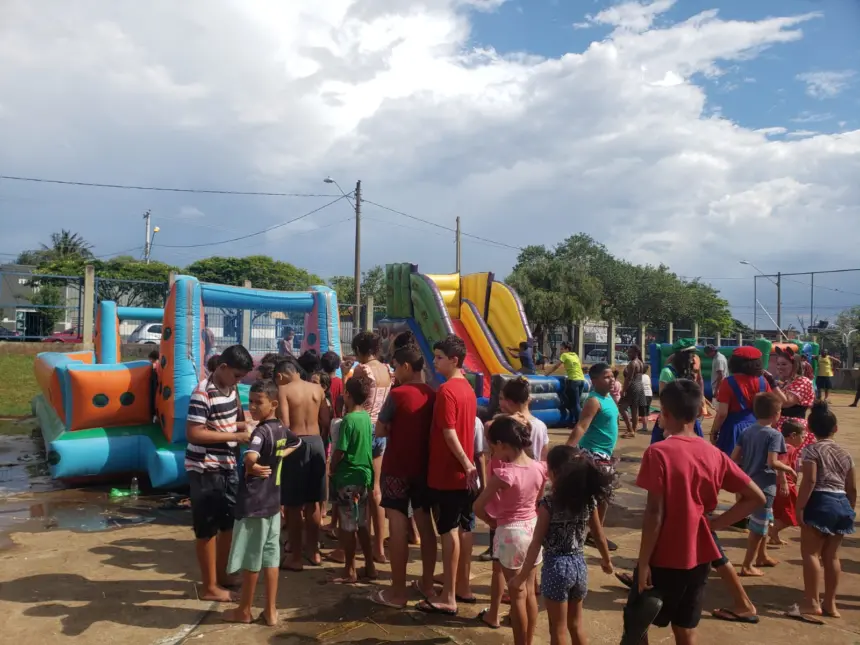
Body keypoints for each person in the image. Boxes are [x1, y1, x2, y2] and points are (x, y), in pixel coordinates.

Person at [621, 379, 766, 645]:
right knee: (685, 627)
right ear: (700, 412)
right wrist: (715, 524)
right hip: (700, 555)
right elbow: (755, 497)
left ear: (663, 413)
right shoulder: (714, 453)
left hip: (664, 555)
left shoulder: (658, 453)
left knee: (637, 623)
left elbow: (654, 513)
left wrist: (643, 564)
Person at [509, 445, 614, 645]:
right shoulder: (588, 501)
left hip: (556, 567)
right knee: (576, 625)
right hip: (579, 566)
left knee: (557, 629)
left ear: (555, 473)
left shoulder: (548, 504)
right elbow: (599, 535)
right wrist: (607, 561)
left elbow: (536, 543)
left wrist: (521, 577)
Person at [221, 380, 301, 625]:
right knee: (270, 557)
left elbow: (251, 454)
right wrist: (279, 455)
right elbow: (296, 442)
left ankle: (245, 610)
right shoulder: (279, 429)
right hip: (272, 505)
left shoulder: (261, 432)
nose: (252, 407)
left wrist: (252, 465)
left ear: (274, 404)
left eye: (259, 402)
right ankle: (271, 610)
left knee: (252, 559)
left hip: (255, 505)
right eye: (251, 402)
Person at [185, 345, 255, 602]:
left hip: (227, 465)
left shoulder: (231, 388)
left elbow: (231, 420)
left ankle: (222, 576)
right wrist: (236, 435)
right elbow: (194, 432)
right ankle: (209, 586)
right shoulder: (202, 394)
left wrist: (247, 425)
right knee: (207, 529)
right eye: (237, 375)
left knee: (228, 524)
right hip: (206, 468)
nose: (239, 381)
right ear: (223, 368)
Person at [371, 344, 437, 608]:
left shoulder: (397, 395)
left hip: (397, 468)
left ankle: (398, 593)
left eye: (396, 367)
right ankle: (428, 585)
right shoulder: (433, 395)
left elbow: (380, 431)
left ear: (407, 367)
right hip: (424, 470)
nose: (395, 373)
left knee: (397, 527)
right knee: (426, 526)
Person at [417, 334, 477, 617]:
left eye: (439, 357)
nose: (435, 362)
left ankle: (449, 595)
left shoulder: (447, 391)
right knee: (455, 529)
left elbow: (449, 431)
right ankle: (454, 586)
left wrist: (466, 463)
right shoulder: (468, 389)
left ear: (454, 360)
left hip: (447, 472)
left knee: (448, 531)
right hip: (457, 474)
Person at [473, 415, 547, 645]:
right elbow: (540, 502)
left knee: (517, 595)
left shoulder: (505, 474)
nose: (493, 452)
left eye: (493, 447)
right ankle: (530, 640)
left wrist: (493, 521)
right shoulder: (540, 468)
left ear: (502, 444)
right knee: (529, 591)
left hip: (510, 534)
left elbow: (477, 506)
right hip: (533, 530)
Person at [789, 401, 856, 623]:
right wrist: (850, 508)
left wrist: (800, 507)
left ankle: (811, 602)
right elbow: (852, 488)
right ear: (835, 428)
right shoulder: (845, 454)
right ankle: (831, 603)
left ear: (809, 429)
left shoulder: (811, 450)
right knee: (832, 556)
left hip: (819, 501)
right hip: (841, 503)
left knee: (810, 554)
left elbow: (810, 480)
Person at [274, 357, 331, 571]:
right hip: (316, 442)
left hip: (295, 444)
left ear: (280, 376)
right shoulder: (317, 389)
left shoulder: (284, 390)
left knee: (293, 505)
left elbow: (286, 424)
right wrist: (319, 440)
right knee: (313, 502)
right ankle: (314, 552)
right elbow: (326, 420)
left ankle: (295, 556)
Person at [731, 392, 795, 577]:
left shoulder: (747, 431)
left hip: (749, 484)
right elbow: (772, 462)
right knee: (758, 528)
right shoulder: (774, 435)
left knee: (765, 521)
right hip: (765, 486)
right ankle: (747, 565)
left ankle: (762, 555)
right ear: (776, 413)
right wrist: (788, 469)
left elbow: (734, 458)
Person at [566, 363, 619, 552]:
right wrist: (567, 451)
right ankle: (593, 534)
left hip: (605, 453)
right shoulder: (594, 400)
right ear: (593, 380)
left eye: (612, 376)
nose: (611, 379)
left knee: (603, 497)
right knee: (597, 496)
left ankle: (595, 533)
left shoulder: (608, 398)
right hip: (594, 453)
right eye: (606, 377)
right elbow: (582, 426)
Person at [330, 374, 377, 584]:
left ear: (347, 395)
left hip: (347, 475)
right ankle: (370, 564)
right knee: (363, 523)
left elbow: (341, 449)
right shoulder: (366, 417)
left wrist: (332, 466)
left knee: (347, 525)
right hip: (363, 475)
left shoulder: (348, 420)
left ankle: (350, 569)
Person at [351, 331, 393, 564]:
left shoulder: (362, 370)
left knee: (357, 487)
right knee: (376, 489)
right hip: (380, 430)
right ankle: (379, 548)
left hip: (362, 428)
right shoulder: (387, 370)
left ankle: (358, 542)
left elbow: (354, 400)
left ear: (359, 350)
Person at [710, 346, 777, 456]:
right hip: (758, 426)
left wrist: (714, 431)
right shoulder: (763, 382)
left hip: (733, 428)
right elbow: (770, 406)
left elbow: (722, 413)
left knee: (731, 464)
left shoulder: (728, 382)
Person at [652, 339, 704, 442]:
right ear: (682, 356)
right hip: (673, 419)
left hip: (689, 419)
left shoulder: (691, 372)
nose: (693, 358)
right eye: (691, 354)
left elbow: (697, 393)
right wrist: (664, 423)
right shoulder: (667, 372)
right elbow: (664, 401)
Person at [769, 419, 805, 547]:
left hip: (779, 484)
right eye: (802, 436)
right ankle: (772, 531)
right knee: (792, 514)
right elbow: (781, 465)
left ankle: (774, 535)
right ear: (793, 435)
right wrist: (784, 483)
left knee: (781, 513)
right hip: (786, 486)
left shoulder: (782, 446)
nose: (804, 440)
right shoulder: (788, 448)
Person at [773, 346, 815, 454]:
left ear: (794, 366)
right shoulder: (785, 383)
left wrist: (773, 386)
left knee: (791, 462)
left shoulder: (803, 381)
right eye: (778, 364)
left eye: (784, 364)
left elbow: (787, 403)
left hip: (793, 429)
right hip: (779, 426)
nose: (780, 367)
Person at [500, 377, 550, 461]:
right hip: (536, 471)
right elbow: (544, 456)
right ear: (528, 398)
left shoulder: (508, 425)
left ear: (509, 401)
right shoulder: (541, 425)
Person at [619, 345, 646, 439]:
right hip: (639, 386)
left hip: (632, 387)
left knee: (621, 407)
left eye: (630, 352)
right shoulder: (641, 362)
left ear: (636, 353)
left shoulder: (632, 363)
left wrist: (623, 390)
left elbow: (629, 379)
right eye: (628, 352)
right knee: (634, 409)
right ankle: (633, 430)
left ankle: (630, 429)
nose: (628, 354)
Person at [556, 341, 586, 427]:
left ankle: (578, 423)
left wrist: (546, 374)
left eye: (562, 349)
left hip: (574, 381)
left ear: (566, 349)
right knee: (575, 402)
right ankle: (573, 421)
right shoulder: (575, 355)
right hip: (582, 380)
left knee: (575, 403)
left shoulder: (564, 355)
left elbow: (556, 366)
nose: (560, 351)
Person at [320, 351, 344, 418]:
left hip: (322, 418)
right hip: (336, 419)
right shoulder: (340, 382)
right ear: (337, 366)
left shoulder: (319, 382)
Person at [640, 364, 653, 434]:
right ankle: (645, 425)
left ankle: (644, 427)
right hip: (649, 394)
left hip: (644, 395)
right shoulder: (647, 376)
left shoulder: (640, 377)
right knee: (647, 410)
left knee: (643, 411)